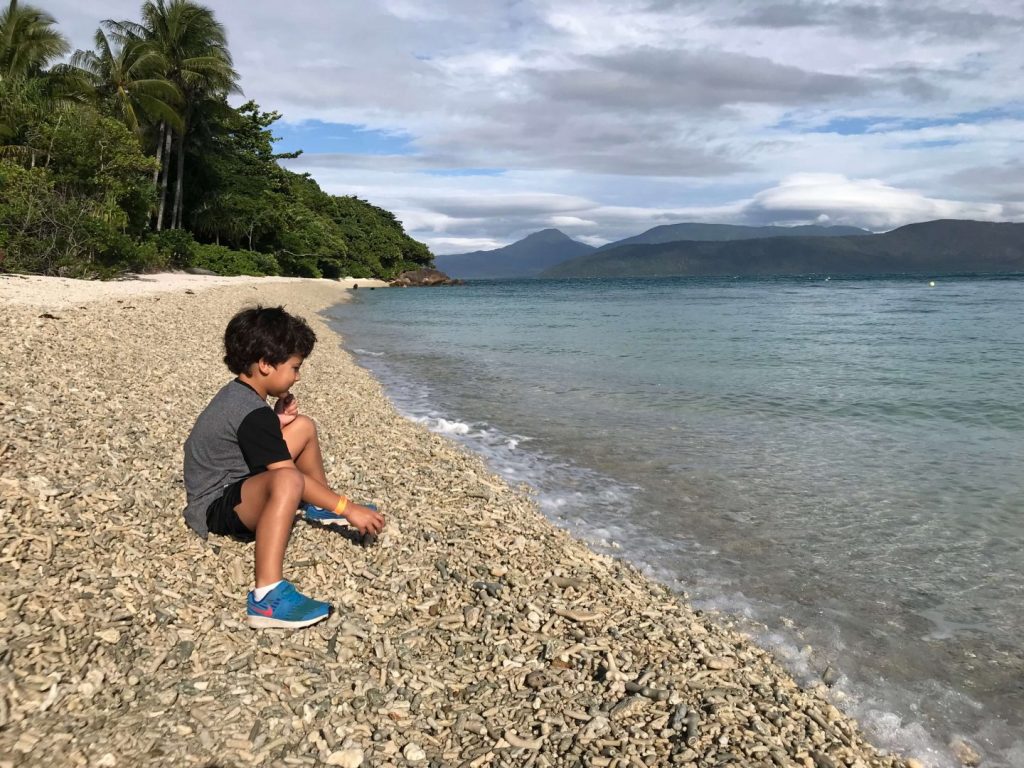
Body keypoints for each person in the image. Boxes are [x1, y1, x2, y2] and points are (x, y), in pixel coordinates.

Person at [183, 305, 385, 629]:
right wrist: (349, 509)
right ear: (265, 364)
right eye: (294, 367)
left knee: (302, 426)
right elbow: (285, 476)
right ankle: (267, 597)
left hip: (234, 482)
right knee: (289, 481)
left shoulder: (240, 396)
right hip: (216, 506)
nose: (298, 376)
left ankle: (319, 507)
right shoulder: (252, 414)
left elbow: (242, 442)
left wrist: (277, 422)